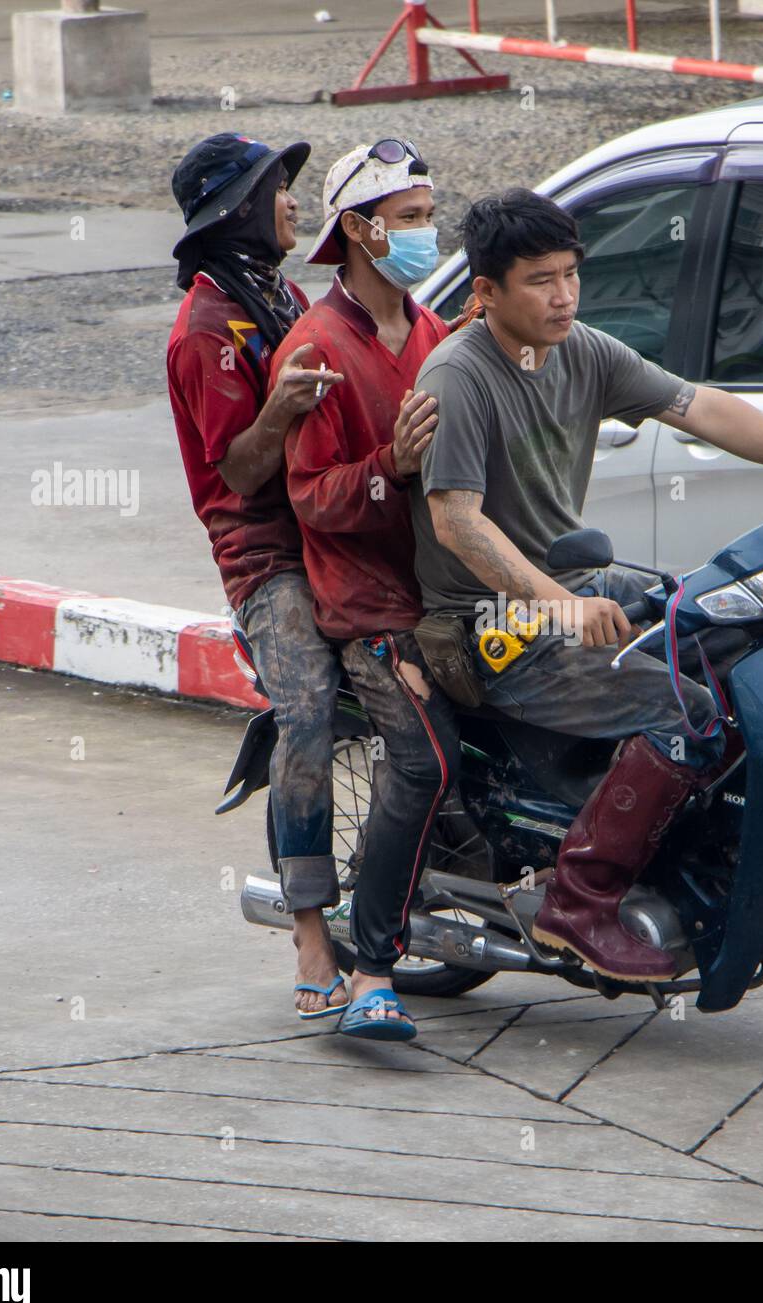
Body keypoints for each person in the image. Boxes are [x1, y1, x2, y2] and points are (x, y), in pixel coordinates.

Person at [411, 188, 763, 984]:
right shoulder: (459, 377)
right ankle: (579, 900)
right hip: (490, 619)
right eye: (541, 279)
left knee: (732, 634)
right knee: (691, 714)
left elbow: (701, 408)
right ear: (485, 293)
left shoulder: (582, 349)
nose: (564, 294)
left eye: (572, 273)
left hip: (576, 580)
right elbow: (457, 522)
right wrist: (559, 602)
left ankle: (707, 857)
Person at [269, 139, 460, 1041]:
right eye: (413, 220)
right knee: (424, 760)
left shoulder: (429, 333)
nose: (429, 234)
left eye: (430, 216)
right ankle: (371, 963)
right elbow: (311, 496)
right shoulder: (318, 344)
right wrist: (394, 464)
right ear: (358, 229)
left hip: (443, 593)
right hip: (369, 607)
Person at [166, 132, 350, 1022]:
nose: (291, 202)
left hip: (332, 514)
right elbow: (237, 474)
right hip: (267, 553)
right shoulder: (207, 330)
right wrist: (280, 409)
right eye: (278, 189)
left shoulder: (279, 292)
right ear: (238, 208)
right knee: (308, 709)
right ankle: (311, 930)